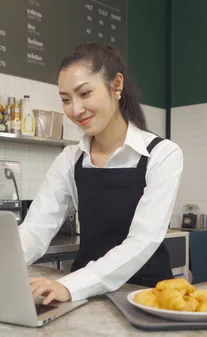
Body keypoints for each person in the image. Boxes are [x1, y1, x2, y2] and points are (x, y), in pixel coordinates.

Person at [18, 42, 184, 306]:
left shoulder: (162, 154)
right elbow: (35, 229)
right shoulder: (69, 160)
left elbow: (143, 240)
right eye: (65, 99)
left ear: (116, 85)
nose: (75, 109)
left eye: (84, 93)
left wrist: (70, 285)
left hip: (145, 298)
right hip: (86, 298)